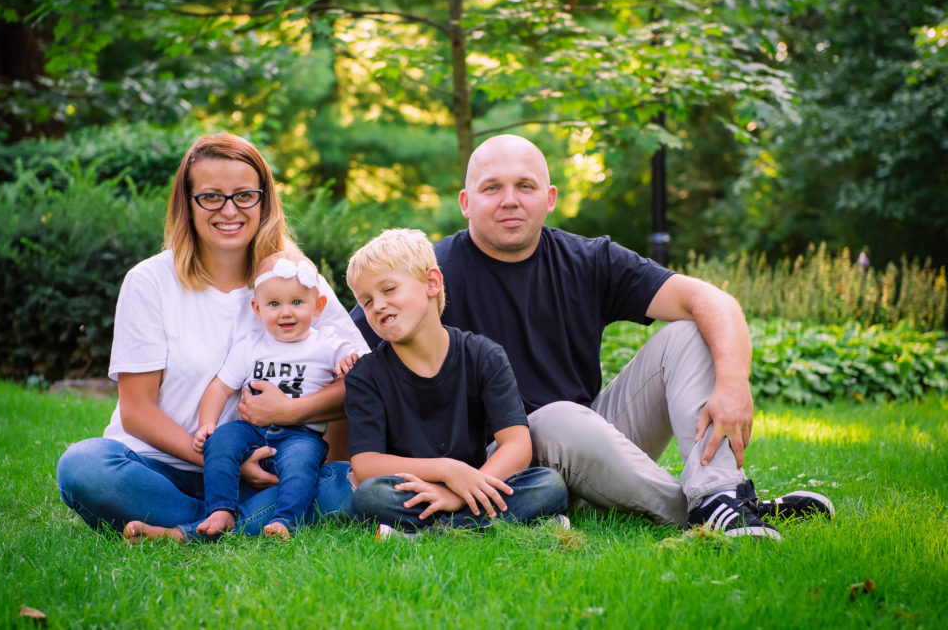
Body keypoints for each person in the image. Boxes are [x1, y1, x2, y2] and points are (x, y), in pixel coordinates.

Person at [352, 135, 833, 540]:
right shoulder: (429, 275)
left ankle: (718, 494)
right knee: (556, 417)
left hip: (593, 436)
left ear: (550, 197)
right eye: (491, 188)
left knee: (688, 333)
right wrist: (286, 421)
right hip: (506, 469)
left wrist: (733, 382)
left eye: (525, 185)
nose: (510, 199)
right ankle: (716, 513)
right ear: (466, 202)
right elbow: (343, 356)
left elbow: (712, 301)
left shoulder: (590, 260)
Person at [56, 133, 369, 543]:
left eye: (244, 196)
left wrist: (294, 412)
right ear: (187, 203)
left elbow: (359, 382)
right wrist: (220, 462)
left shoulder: (293, 280)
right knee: (82, 466)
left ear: (264, 201)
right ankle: (224, 522)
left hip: (267, 469)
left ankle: (189, 530)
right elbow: (136, 411)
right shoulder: (150, 281)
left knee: (343, 481)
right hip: (158, 467)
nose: (229, 210)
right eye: (211, 197)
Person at [344, 228, 568, 537]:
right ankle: (479, 527)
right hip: (411, 490)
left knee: (548, 485)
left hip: (474, 482)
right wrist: (447, 470)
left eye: (389, 289)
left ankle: (431, 534)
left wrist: (458, 493)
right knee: (371, 496)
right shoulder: (365, 375)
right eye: (367, 301)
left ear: (432, 283)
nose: (378, 305)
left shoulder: (484, 355)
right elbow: (366, 463)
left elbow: (516, 445)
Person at [190, 250, 360, 541]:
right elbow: (220, 387)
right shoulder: (250, 345)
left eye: (297, 302)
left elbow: (355, 373)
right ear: (257, 310)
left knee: (301, 463)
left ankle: (285, 519)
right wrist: (207, 423)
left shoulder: (328, 344)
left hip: (301, 434)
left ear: (317, 306)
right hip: (252, 428)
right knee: (220, 442)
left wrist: (348, 363)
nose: (285, 311)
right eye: (274, 303)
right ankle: (221, 510)